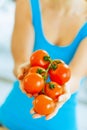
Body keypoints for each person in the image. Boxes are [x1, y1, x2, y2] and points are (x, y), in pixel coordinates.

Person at [0, 0, 87, 130]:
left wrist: (65, 88)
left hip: (60, 125)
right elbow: (20, 62)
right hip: (11, 120)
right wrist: (23, 72)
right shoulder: (27, 3)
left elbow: (74, 78)